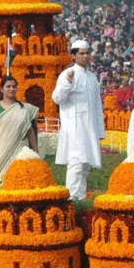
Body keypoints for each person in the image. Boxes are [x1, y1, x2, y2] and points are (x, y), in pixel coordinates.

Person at [52, 39, 106, 200]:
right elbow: (57, 98)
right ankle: (72, 199)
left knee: (86, 164)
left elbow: (97, 106)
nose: (85, 56)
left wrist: (100, 130)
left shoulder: (92, 78)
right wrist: (68, 83)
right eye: (81, 53)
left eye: (87, 53)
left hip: (89, 127)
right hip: (74, 127)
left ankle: (80, 199)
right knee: (76, 162)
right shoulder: (67, 75)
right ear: (73, 56)